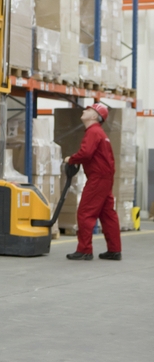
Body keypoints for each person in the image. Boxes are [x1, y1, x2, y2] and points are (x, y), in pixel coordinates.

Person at [63, 103, 122, 261]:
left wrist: (71, 159)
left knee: (85, 212)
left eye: (88, 110)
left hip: (98, 178)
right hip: (105, 177)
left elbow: (86, 153)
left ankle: (84, 250)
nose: (84, 110)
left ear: (95, 116)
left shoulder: (93, 131)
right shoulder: (100, 133)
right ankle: (114, 250)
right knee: (108, 214)